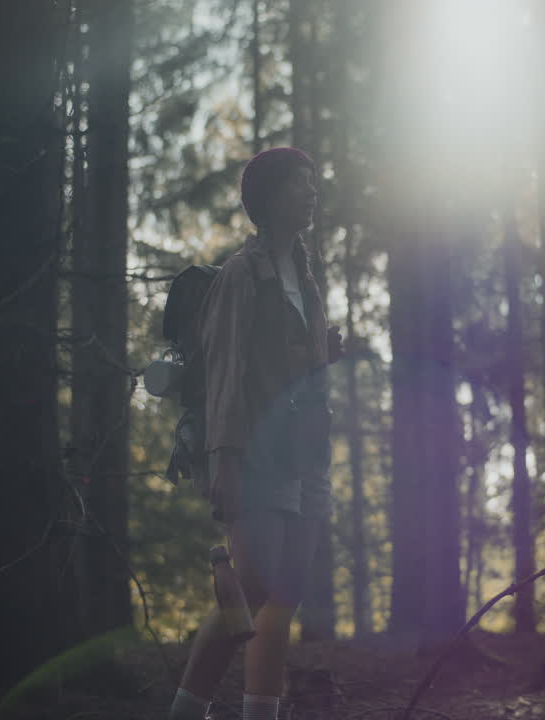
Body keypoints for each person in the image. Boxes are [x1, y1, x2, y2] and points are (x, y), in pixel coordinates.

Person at [169, 147, 343, 720]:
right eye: (301, 183)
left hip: (304, 450)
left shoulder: (307, 277)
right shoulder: (242, 274)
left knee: (284, 592)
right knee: (251, 586)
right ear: (269, 198)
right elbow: (225, 367)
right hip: (255, 450)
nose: (313, 192)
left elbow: (296, 363)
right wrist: (224, 456)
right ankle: (186, 710)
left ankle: (259, 713)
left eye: (314, 182)